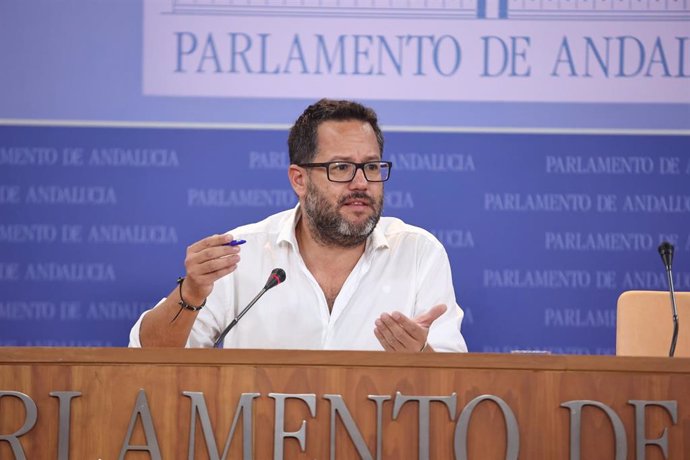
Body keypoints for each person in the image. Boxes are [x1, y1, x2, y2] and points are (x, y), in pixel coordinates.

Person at [129, 99, 467, 352]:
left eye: (372, 167)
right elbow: (147, 357)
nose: (362, 183)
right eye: (341, 168)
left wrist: (421, 356)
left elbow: (458, 385)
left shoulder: (418, 252)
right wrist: (191, 292)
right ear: (299, 180)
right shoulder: (241, 256)